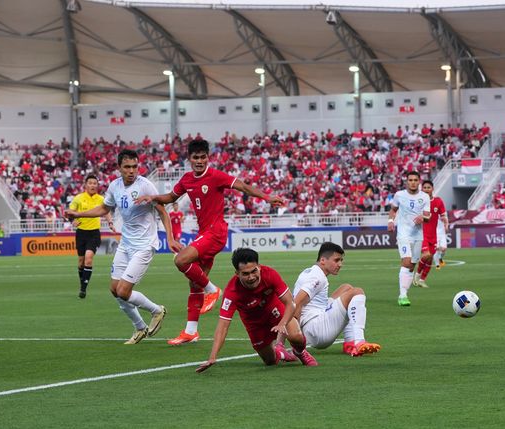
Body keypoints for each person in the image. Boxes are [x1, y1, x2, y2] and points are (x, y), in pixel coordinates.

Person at [135, 139, 284, 346]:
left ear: (208, 158)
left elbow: (242, 186)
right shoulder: (187, 179)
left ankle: (213, 290)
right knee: (194, 283)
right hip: (204, 233)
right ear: (190, 159)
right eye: (195, 157)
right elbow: (170, 197)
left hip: (216, 232)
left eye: (203, 157)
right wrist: (152, 197)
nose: (199, 161)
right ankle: (191, 331)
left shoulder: (216, 176)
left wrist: (267, 197)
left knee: (180, 260)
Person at [65, 149, 172, 344]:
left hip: (144, 245)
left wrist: (171, 238)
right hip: (126, 243)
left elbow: (163, 212)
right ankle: (139, 327)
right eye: (127, 167)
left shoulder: (146, 186)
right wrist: (78, 215)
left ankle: (157, 311)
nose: (132, 171)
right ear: (119, 168)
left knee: (124, 291)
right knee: (114, 290)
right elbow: (105, 208)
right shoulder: (114, 186)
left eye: (135, 167)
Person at [195, 248, 317, 372]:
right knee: (270, 361)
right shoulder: (232, 292)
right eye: (245, 274)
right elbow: (223, 327)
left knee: (296, 336)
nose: (251, 277)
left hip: (274, 310)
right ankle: (281, 353)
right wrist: (212, 357)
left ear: (259, 267)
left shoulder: (270, 274)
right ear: (237, 273)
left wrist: (282, 323)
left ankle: (300, 352)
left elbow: (290, 303)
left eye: (254, 271)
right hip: (254, 323)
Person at [292, 242, 381, 357]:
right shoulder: (317, 278)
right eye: (336, 260)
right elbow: (296, 303)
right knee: (357, 292)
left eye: (341, 260)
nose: (340, 264)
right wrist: (297, 339)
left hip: (312, 323)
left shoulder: (309, 271)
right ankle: (359, 342)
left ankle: (349, 343)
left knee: (346, 288)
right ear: (323, 260)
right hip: (316, 330)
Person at [387, 171, 431, 306]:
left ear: (419, 182)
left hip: (417, 235)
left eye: (415, 180)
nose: (413, 182)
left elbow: (428, 216)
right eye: (410, 180)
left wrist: (422, 217)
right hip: (403, 234)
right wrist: (390, 220)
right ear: (406, 181)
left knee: (412, 265)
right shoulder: (399, 195)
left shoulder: (424, 197)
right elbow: (393, 210)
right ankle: (402, 295)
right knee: (406, 262)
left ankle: (404, 292)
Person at [69, 174, 115, 298]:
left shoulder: (101, 199)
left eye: (95, 183)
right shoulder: (78, 198)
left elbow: (106, 212)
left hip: (94, 233)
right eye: (90, 183)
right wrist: (72, 220)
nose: (93, 185)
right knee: (81, 262)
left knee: (89, 259)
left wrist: (110, 222)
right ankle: (82, 283)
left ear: (97, 185)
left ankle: (83, 289)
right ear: (85, 185)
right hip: (81, 233)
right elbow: (70, 212)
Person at [414, 180, 447, 287]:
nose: (427, 189)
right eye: (425, 187)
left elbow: (443, 215)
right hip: (422, 234)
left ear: (432, 189)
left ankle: (422, 280)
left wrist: (446, 223)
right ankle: (417, 275)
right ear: (422, 189)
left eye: (429, 187)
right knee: (426, 255)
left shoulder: (438, 201)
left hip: (433, 235)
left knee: (430, 258)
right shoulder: (419, 202)